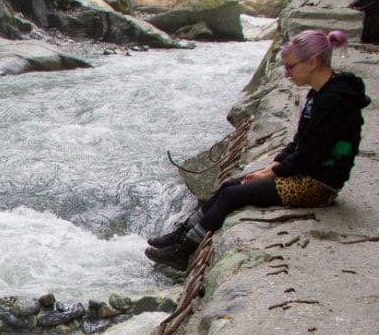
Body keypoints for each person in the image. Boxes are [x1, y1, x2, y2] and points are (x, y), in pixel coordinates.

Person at [146, 29, 371, 271]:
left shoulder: (333, 101)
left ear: (313, 62)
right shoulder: (318, 94)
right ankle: (182, 233)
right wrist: (276, 164)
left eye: (290, 67)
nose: (286, 74)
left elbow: (311, 154)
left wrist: (272, 173)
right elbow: (300, 141)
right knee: (228, 185)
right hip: (308, 171)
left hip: (319, 185)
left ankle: (183, 252)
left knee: (233, 195)